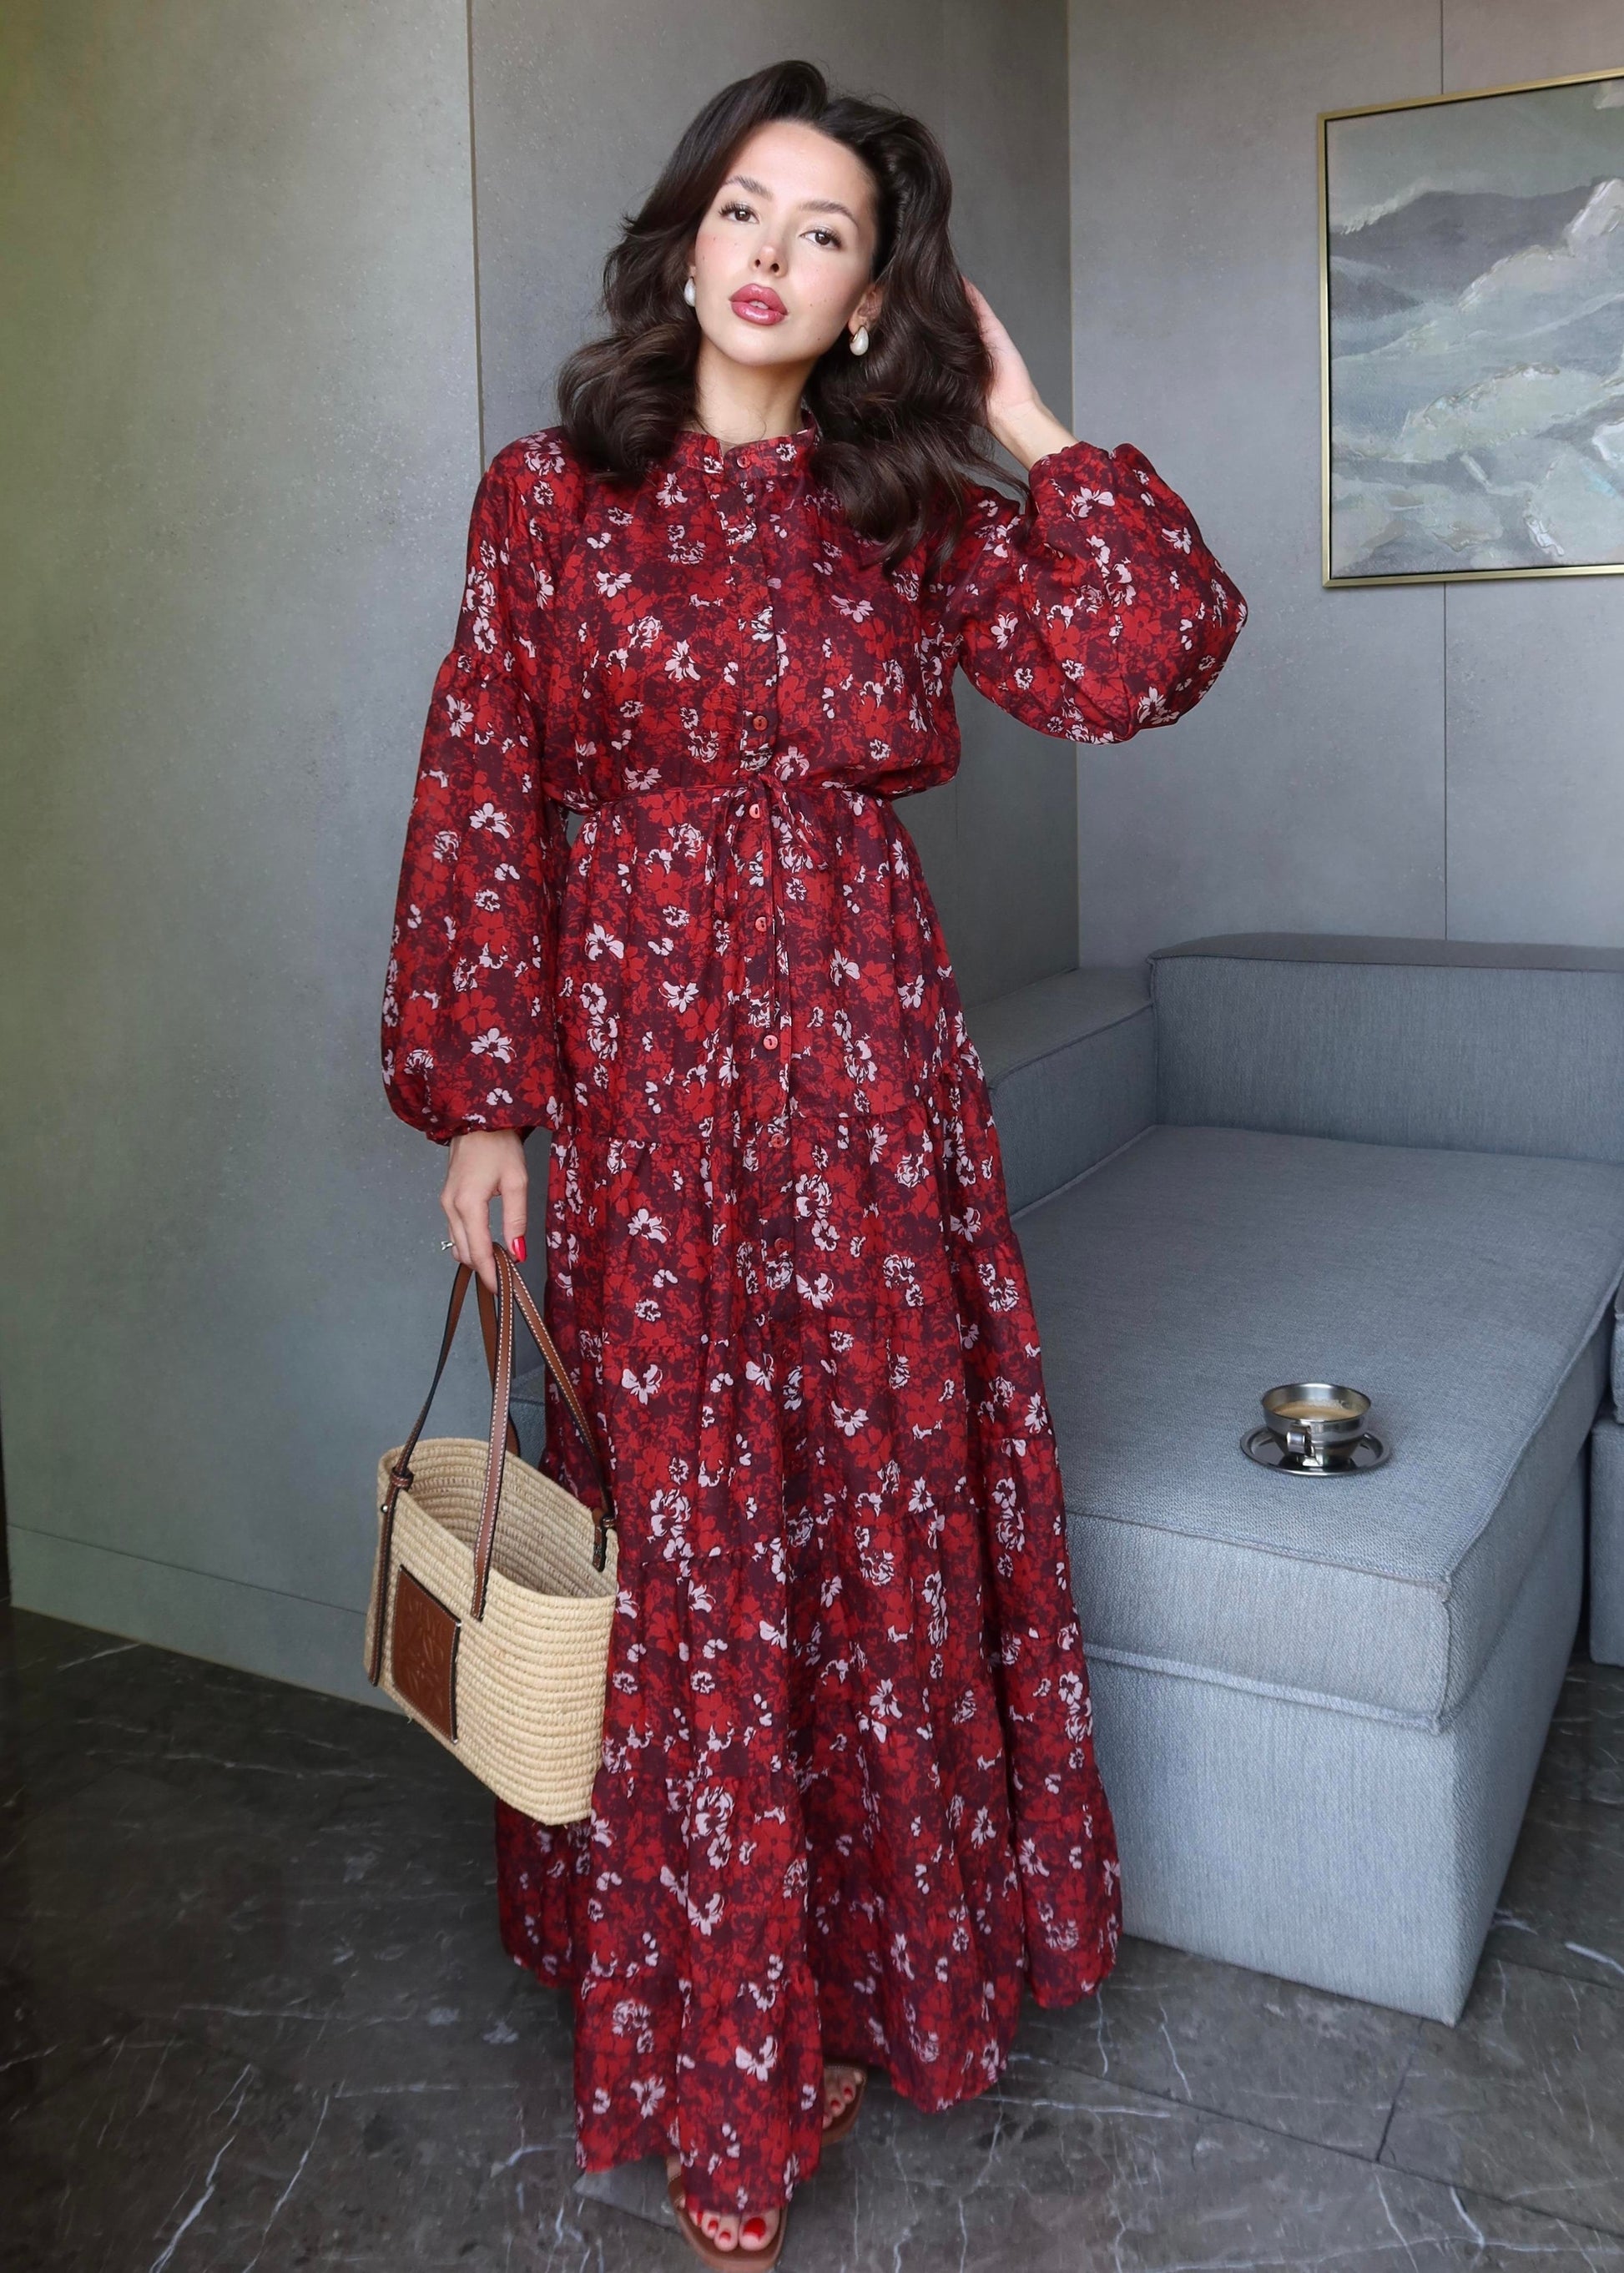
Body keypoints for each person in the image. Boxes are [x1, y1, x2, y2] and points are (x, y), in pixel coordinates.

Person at [381, 56, 1247, 2268]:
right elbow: (482, 783)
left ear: (871, 300)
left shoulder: (904, 510)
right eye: (743, 211)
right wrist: (485, 1101)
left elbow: (1148, 655)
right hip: (642, 1093)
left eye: (825, 233)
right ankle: (722, 2058)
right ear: (689, 241)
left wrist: (1029, 425)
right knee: (684, 1544)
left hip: (867, 1085)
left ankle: (852, 1993)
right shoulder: (548, 501)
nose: (769, 254)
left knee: (866, 1518)